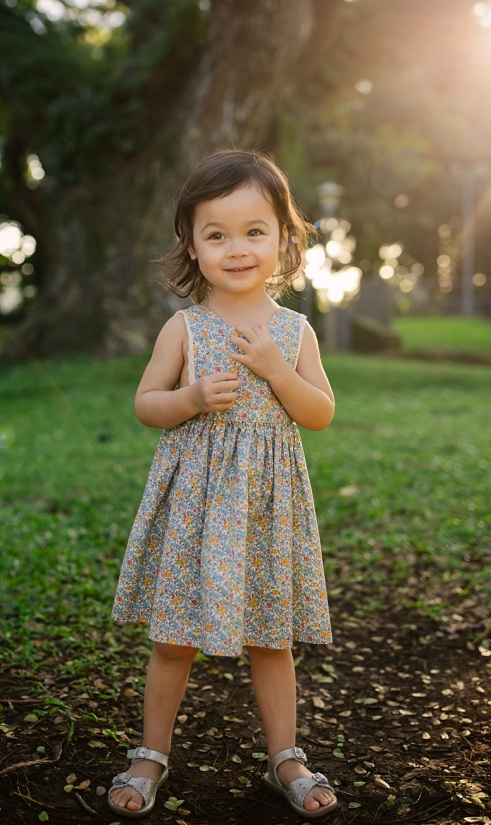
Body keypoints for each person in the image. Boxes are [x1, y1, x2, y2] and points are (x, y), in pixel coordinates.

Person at [109, 150, 338, 819]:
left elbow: (320, 412)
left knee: (272, 636)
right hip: (196, 507)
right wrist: (190, 397)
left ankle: (285, 755)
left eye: (254, 230)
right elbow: (146, 403)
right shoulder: (184, 327)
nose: (237, 248)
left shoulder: (294, 332)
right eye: (217, 233)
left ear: (284, 238)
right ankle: (151, 752)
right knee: (173, 636)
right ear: (192, 245)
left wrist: (278, 369)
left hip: (266, 510)